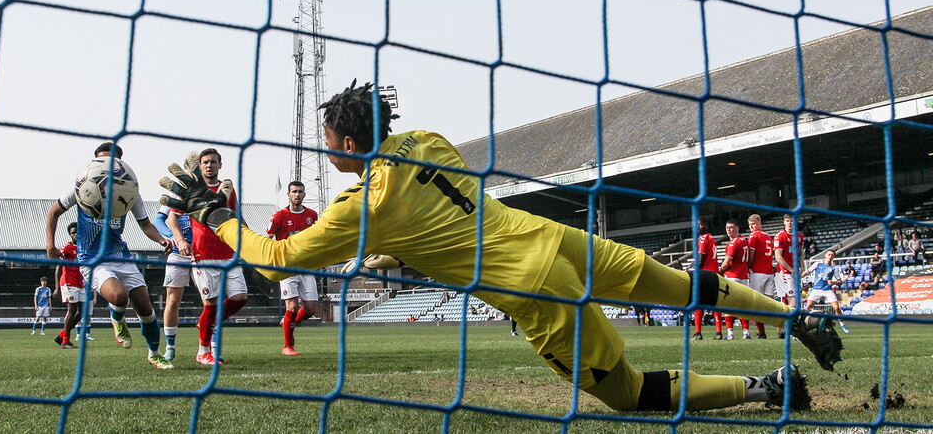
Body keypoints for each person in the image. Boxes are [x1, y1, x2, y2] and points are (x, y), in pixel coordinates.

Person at [160, 80, 844, 413]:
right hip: (557, 240)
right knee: (684, 285)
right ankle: (798, 319)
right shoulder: (425, 140)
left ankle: (767, 387)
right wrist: (406, 251)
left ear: (342, 144)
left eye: (327, 141)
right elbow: (440, 215)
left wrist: (212, 212)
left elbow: (274, 259)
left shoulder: (359, 205)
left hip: (528, 289)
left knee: (627, 394)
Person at [44, 142, 174, 369]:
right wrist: (50, 245)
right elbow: (53, 212)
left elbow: (145, 225)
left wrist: (162, 239)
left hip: (120, 255)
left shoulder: (130, 191)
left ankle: (154, 354)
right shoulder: (82, 188)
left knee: (145, 307)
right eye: (102, 160)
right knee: (119, 296)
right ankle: (117, 317)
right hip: (91, 259)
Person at [167, 147, 247, 366]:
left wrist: (246, 241)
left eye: (213, 161)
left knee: (240, 297)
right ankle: (203, 352)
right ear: (200, 166)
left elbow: (235, 217)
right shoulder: (192, 190)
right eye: (205, 162)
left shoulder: (227, 189)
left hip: (228, 253)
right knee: (210, 304)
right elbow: (172, 219)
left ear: (220, 165)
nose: (209, 165)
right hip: (203, 254)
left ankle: (206, 324)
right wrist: (181, 240)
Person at [267, 180, 319, 356]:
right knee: (291, 306)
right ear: (288, 194)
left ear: (304, 194)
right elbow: (268, 238)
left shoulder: (312, 215)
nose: (297, 194)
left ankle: (287, 322)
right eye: (294, 191)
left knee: (311, 308)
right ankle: (287, 346)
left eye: (300, 192)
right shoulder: (279, 216)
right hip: (287, 266)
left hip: (306, 266)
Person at [154, 154, 197, 362]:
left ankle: (209, 346)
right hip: (179, 253)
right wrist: (172, 237)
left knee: (212, 302)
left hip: (203, 254)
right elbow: (159, 219)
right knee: (173, 300)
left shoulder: (211, 192)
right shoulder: (177, 193)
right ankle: (170, 346)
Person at [800, 249, 850, 334]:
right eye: (829, 254)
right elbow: (807, 272)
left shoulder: (834, 268)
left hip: (827, 290)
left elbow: (840, 281)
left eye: (832, 255)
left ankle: (842, 324)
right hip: (816, 289)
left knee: (836, 307)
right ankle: (801, 327)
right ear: (825, 255)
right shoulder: (817, 264)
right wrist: (799, 277)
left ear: (834, 257)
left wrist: (833, 282)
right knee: (807, 307)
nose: (830, 256)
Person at [51, 222, 84, 348]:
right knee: (72, 310)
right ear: (70, 235)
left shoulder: (84, 247)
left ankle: (61, 335)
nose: (75, 234)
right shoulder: (67, 248)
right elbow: (58, 268)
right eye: (73, 233)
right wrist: (57, 288)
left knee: (82, 312)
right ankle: (65, 341)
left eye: (77, 232)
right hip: (69, 282)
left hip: (80, 282)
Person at [691, 218, 724, 340]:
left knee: (699, 303)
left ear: (705, 225)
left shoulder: (703, 238)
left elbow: (701, 259)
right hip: (714, 274)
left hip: (705, 274)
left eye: (699, 224)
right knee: (715, 304)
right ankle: (719, 332)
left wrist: (695, 270)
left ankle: (698, 333)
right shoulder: (711, 238)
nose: (697, 227)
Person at [718, 220, 751, 340]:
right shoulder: (745, 241)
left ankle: (730, 333)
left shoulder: (733, 243)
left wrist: (720, 270)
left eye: (731, 227)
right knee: (743, 305)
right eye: (727, 228)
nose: (728, 230)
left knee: (728, 304)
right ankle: (746, 332)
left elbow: (726, 262)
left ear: (738, 228)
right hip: (744, 276)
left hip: (732, 276)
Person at [773, 215, 803, 338]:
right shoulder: (780, 236)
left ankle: (782, 329)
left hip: (794, 272)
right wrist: (790, 269)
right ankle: (792, 330)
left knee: (785, 302)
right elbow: (778, 257)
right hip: (784, 272)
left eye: (792, 220)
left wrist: (801, 267)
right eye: (787, 220)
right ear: (784, 222)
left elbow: (801, 253)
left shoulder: (799, 236)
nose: (790, 223)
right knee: (793, 301)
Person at [746, 214, 774, 339]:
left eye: (753, 224)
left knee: (756, 303)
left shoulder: (754, 235)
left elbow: (751, 255)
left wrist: (748, 267)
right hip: (769, 272)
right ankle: (781, 330)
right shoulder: (768, 236)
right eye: (750, 225)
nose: (751, 227)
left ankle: (761, 332)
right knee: (770, 304)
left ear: (759, 223)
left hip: (757, 272)